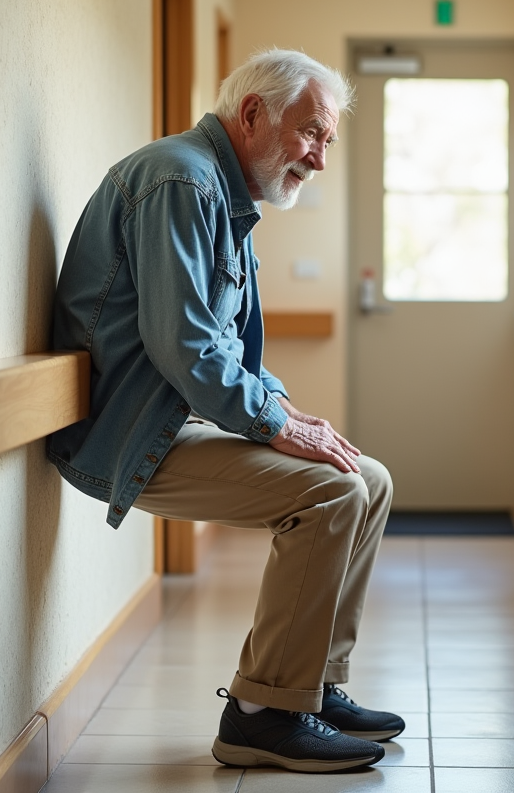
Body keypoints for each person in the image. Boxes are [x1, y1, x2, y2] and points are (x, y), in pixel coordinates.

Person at [46, 48, 402, 773]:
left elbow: (228, 355)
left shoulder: (220, 193)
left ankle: (311, 685)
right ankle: (261, 714)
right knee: (330, 491)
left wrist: (290, 415)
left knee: (369, 476)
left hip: (180, 418)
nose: (319, 159)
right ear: (251, 114)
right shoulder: (182, 181)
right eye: (313, 134)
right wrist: (278, 425)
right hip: (128, 433)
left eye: (326, 142)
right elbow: (186, 349)